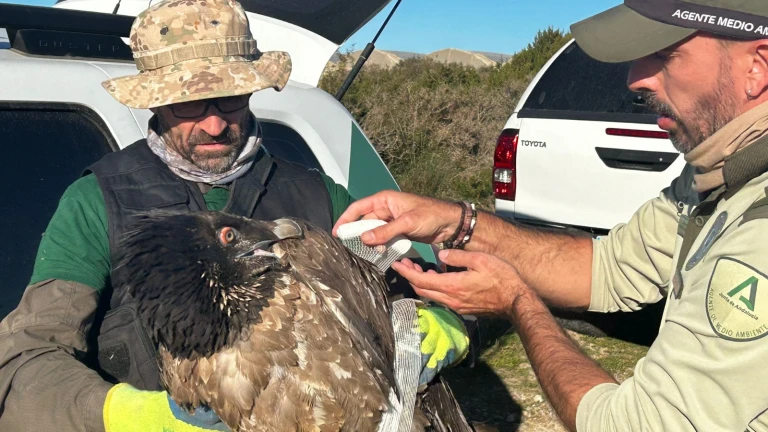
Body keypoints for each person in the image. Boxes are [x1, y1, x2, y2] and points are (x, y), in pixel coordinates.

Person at [0, 1, 469, 431]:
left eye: (230, 98)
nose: (215, 123)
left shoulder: (317, 194)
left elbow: (417, 287)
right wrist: (132, 416)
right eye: (188, 102)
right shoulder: (95, 202)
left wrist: (442, 319)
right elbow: (27, 358)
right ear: (154, 99)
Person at [333, 1, 768, 431]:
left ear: (757, 68)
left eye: (664, 54)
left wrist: (519, 302)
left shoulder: (758, 232)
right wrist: (458, 223)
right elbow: (609, 269)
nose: (635, 78)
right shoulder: (716, 174)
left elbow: (632, 425)